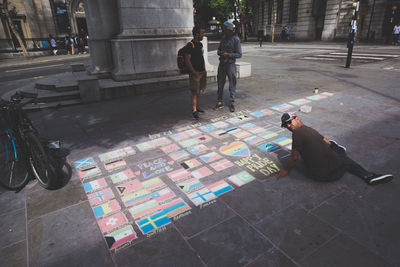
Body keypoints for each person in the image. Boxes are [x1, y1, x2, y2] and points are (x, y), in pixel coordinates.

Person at [277, 113, 394, 185]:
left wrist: (331, 145)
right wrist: (286, 170)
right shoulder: (303, 130)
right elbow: (294, 156)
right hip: (329, 175)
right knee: (343, 157)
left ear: (297, 118)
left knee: (338, 150)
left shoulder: (300, 132)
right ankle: (368, 176)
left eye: (289, 122)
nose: (288, 126)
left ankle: (336, 149)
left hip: (324, 173)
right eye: (285, 125)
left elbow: (323, 139)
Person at [215, 21, 242, 113]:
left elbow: (239, 54)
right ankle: (219, 101)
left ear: (229, 30)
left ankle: (232, 101)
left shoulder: (236, 39)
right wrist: (220, 52)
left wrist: (228, 54)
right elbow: (218, 49)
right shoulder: (223, 38)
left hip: (230, 64)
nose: (223, 31)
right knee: (220, 83)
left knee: (232, 84)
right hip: (222, 64)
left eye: (225, 29)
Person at [184, 25, 207, 119]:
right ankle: (194, 110)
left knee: (199, 90)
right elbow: (187, 60)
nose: (203, 35)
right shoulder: (190, 45)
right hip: (195, 73)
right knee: (194, 91)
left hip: (201, 71)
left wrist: (204, 68)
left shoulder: (200, 44)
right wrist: (193, 71)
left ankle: (196, 106)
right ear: (197, 34)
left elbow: (201, 57)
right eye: (202, 33)